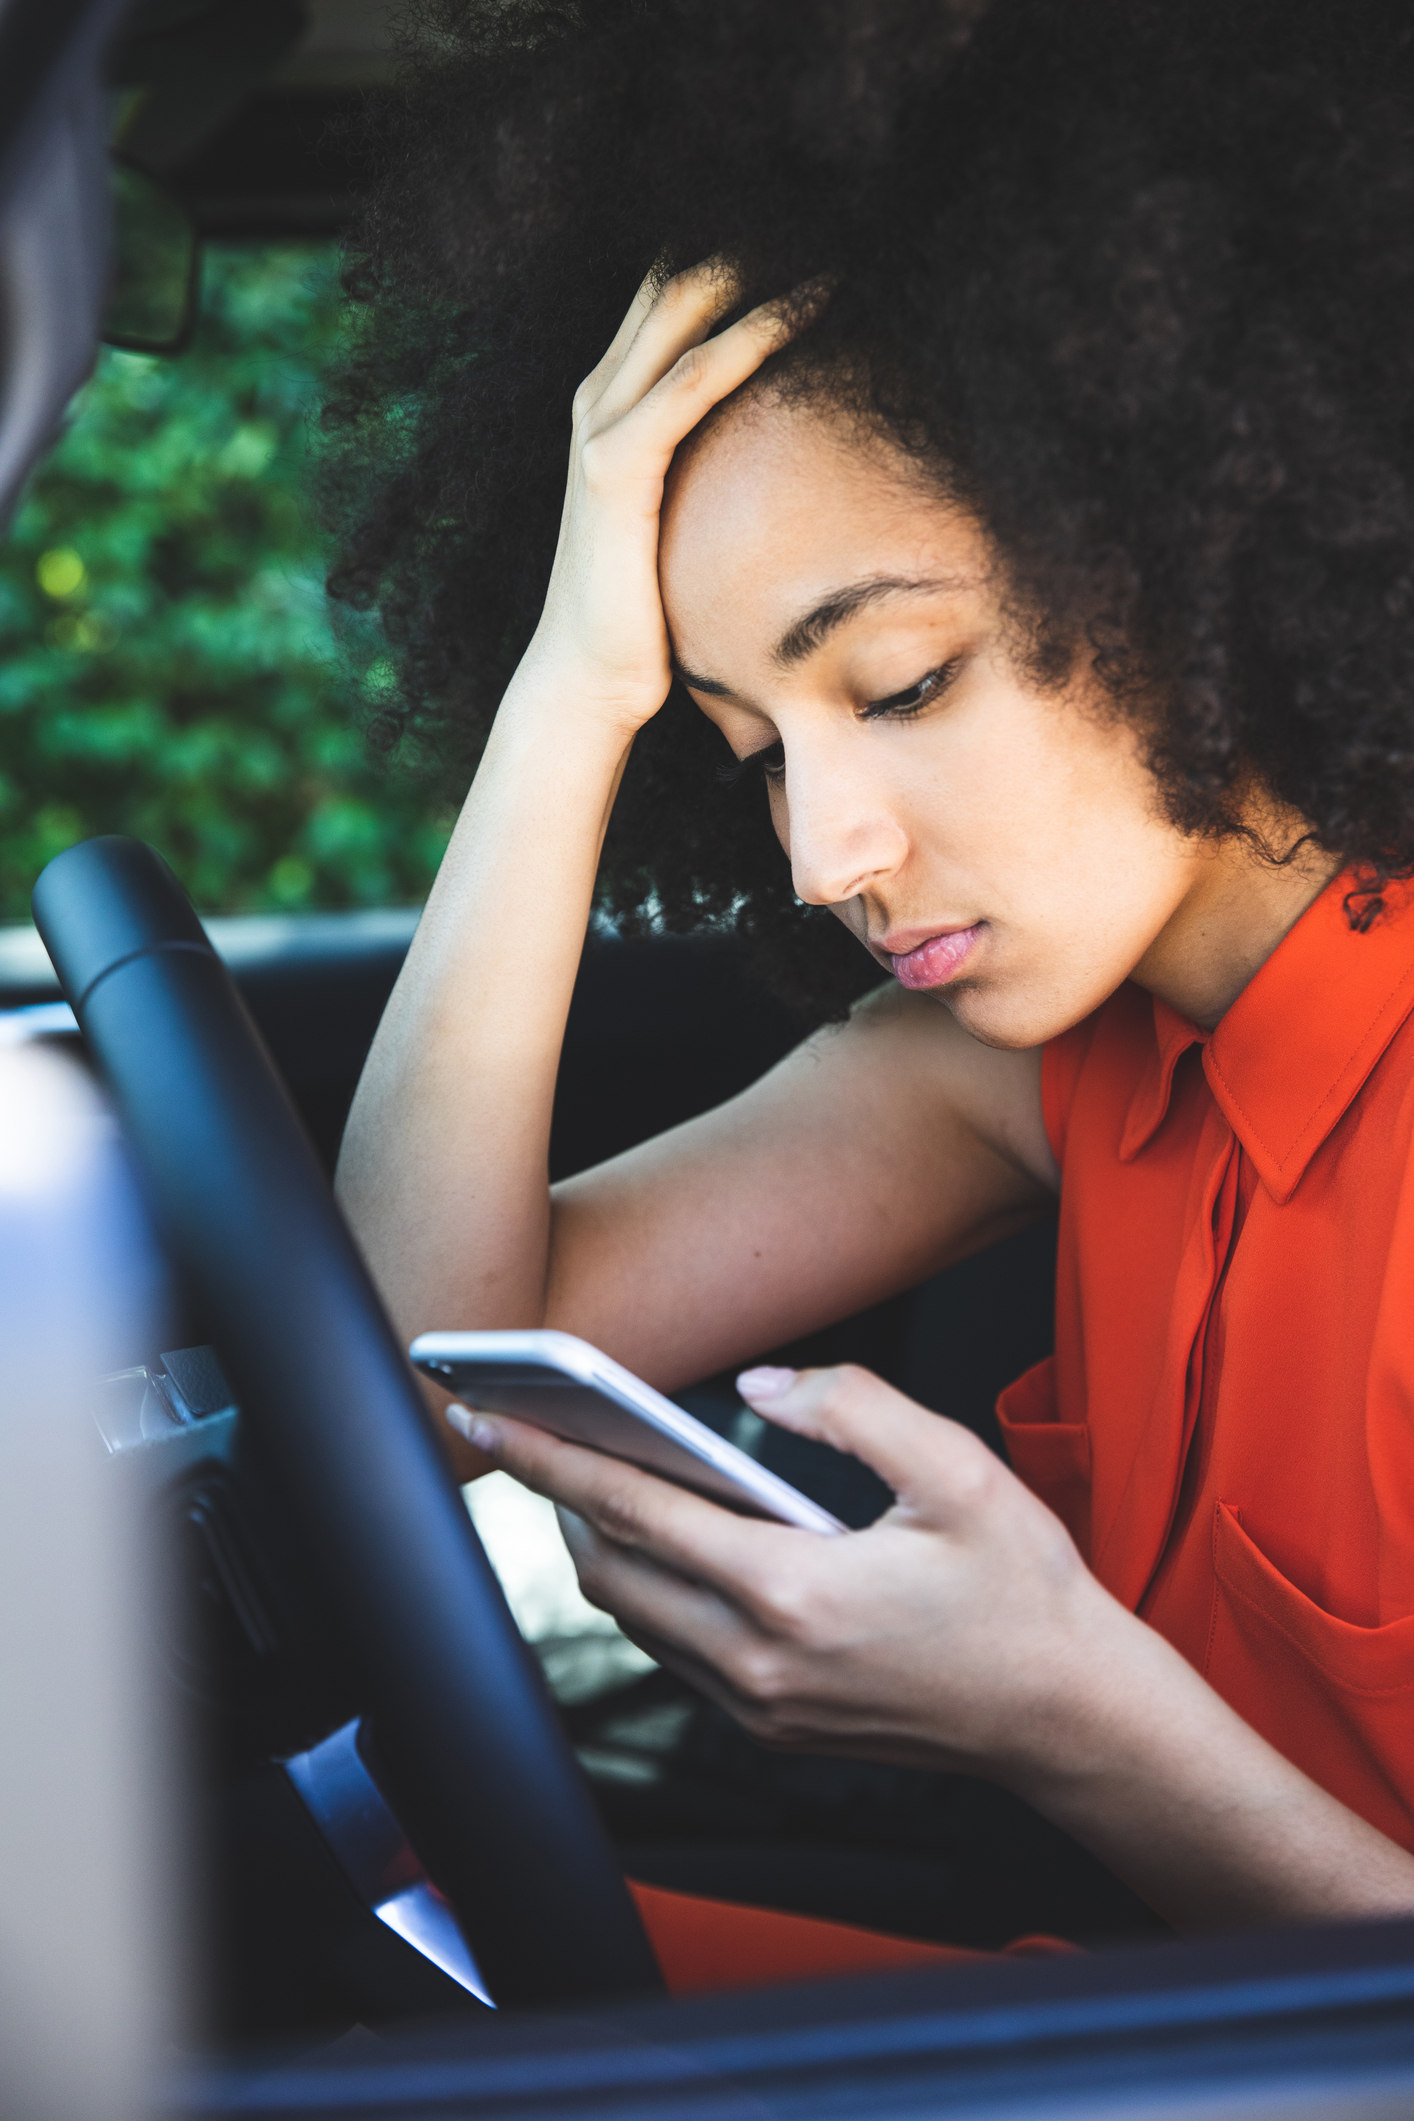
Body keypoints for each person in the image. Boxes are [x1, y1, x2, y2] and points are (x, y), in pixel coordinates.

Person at [328, 0, 1414, 1986]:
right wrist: (574, 683)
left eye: (900, 681)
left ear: (1196, 537)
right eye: (743, 745)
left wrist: (1061, 1710)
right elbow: (418, 1355)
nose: (820, 852)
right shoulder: (1026, 1072)